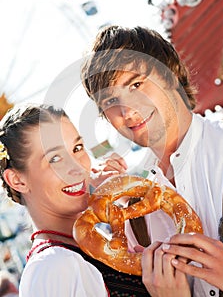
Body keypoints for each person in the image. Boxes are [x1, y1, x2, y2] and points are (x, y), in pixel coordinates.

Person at [81, 25, 223, 296]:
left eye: (136, 84)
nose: (128, 112)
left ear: (171, 73)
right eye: (111, 100)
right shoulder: (134, 219)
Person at [0, 103, 188, 297]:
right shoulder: (54, 266)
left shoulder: (93, 246)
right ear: (17, 180)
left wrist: (124, 199)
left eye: (77, 148)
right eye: (55, 159)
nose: (78, 167)